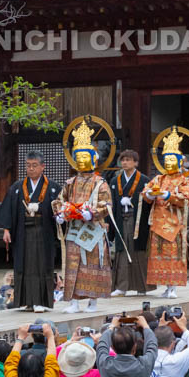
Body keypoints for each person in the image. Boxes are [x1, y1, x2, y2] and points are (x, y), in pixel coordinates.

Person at [53, 120, 113, 314]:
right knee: (72, 266)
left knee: (93, 265)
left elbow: (107, 204)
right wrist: (60, 213)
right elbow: (59, 200)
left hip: (93, 229)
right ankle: (74, 302)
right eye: (77, 156)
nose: (80, 160)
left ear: (93, 158)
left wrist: (92, 213)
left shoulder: (100, 183)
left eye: (85, 156)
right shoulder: (70, 182)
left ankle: (93, 302)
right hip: (75, 228)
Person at [0, 151, 61, 311]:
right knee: (23, 265)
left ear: (42, 167)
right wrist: (6, 229)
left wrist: (60, 218)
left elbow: (60, 208)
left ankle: (42, 302)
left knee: (42, 265)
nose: (31, 169)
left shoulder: (53, 188)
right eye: (28, 166)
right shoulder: (18, 187)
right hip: (23, 232)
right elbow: (8, 210)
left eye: (34, 165)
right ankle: (26, 301)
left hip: (44, 231)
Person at [142, 129, 189, 299]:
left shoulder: (184, 179)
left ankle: (173, 287)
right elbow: (145, 191)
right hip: (158, 223)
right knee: (159, 257)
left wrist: (169, 196)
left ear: (179, 162)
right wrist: (149, 195)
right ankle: (165, 286)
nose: (168, 163)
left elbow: (186, 198)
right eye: (166, 160)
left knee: (173, 256)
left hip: (174, 224)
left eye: (172, 159)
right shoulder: (158, 179)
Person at [109, 149, 151, 297]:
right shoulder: (115, 181)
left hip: (137, 220)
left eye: (128, 160)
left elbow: (149, 202)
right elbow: (112, 203)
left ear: (136, 162)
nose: (125, 163)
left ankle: (142, 287)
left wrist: (132, 201)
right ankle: (121, 287)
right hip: (121, 218)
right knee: (121, 252)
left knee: (138, 252)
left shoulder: (144, 180)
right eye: (123, 160)